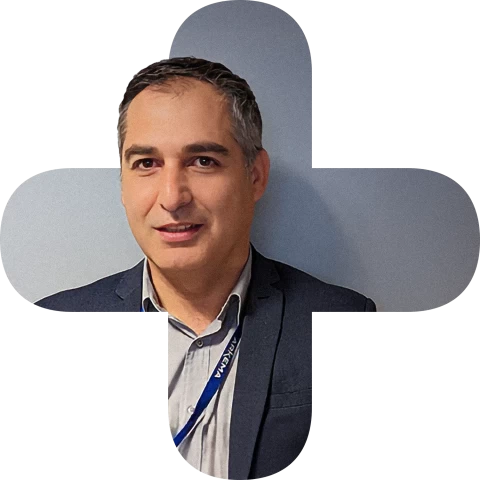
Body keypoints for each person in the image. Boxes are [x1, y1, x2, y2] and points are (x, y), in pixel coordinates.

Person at [35, 57, 376, 480]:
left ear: (255, 176)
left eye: (202, 161)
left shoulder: (343, 322)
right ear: (122, 181)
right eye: (146, 163)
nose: (172, 197)